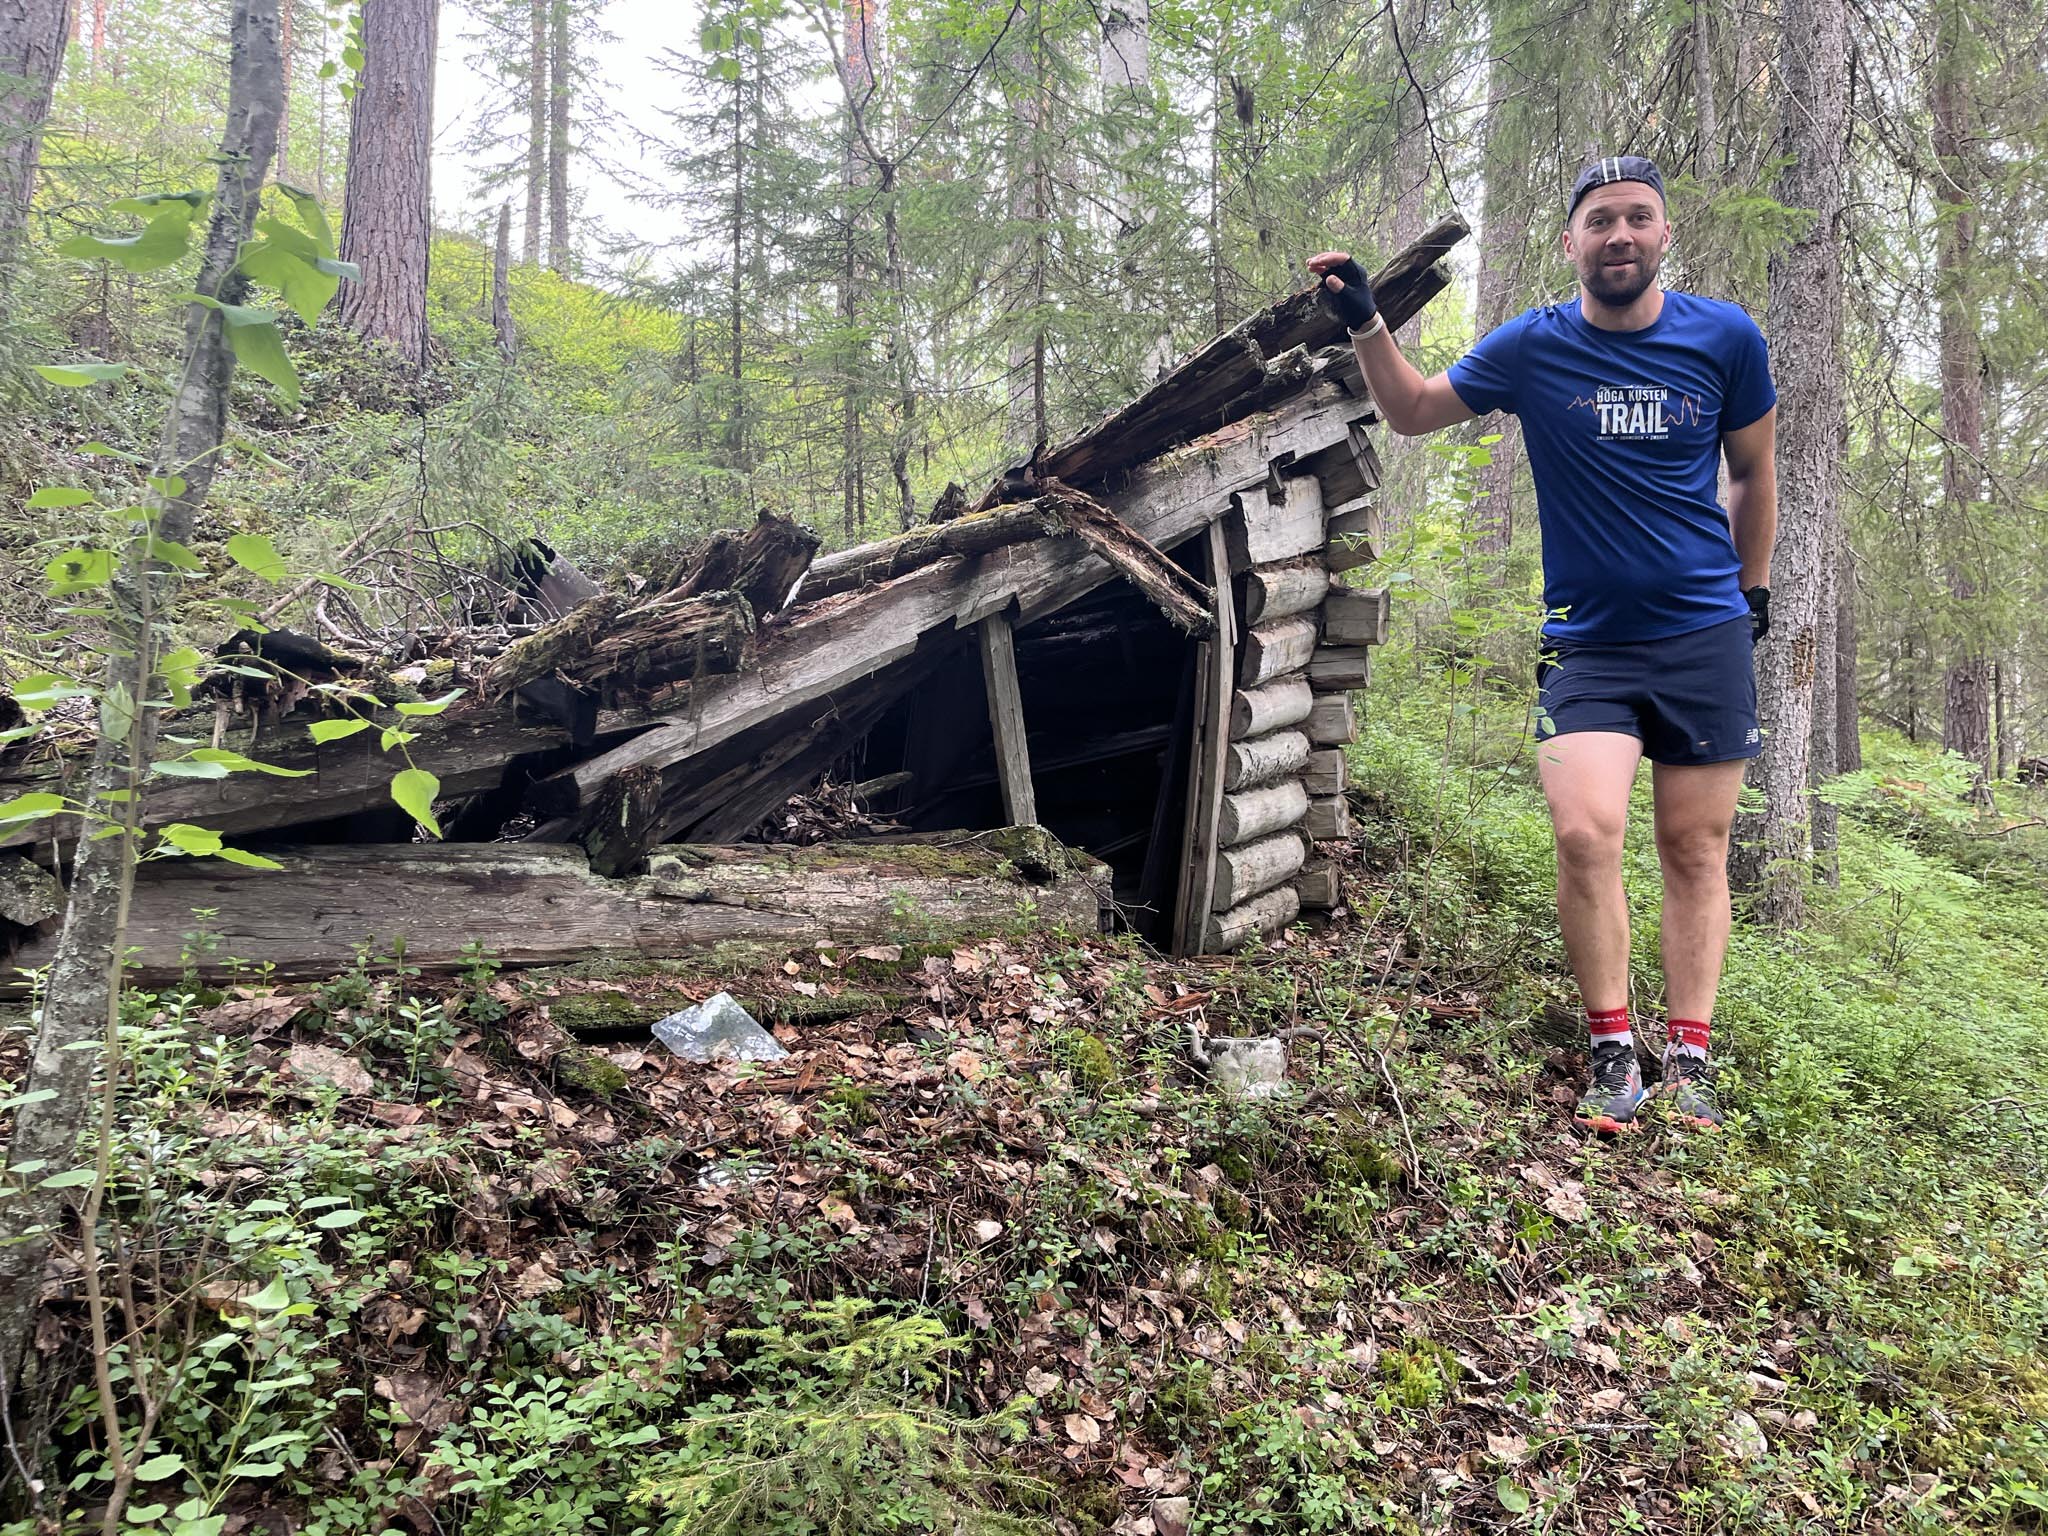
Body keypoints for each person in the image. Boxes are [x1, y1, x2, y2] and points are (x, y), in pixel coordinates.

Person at [1306, 154, 1778, 1132]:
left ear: (1664, 234)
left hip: (1704, 634)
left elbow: (1750, 471)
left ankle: (1689, 1059)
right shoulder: (1533, 345)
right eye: (1599, 221)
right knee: (1583, 832)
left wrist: (1752, 592)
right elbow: (1412, 412)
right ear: (1570, 243)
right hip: (1586, 645)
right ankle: (1613, 1052)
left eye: (1637, 218)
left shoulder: (1726, 337)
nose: (1619, 235)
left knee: (1694, 847)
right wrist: (1365, 322)